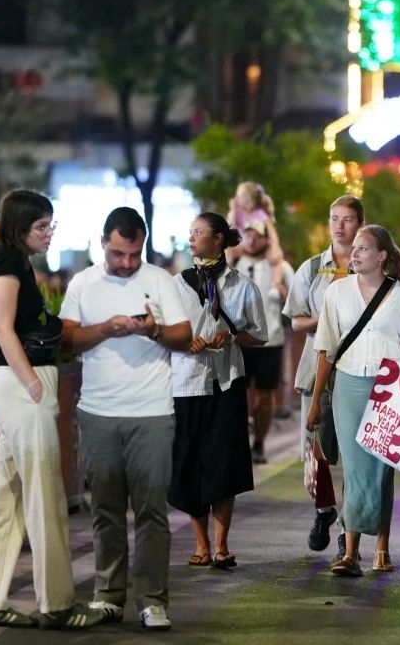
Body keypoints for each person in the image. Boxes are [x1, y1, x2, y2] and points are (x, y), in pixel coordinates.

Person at [0, 190, 104, 630]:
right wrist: (32, 385)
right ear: (19, 227)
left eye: (50, 225)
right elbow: (4, 330)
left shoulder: (12, 261)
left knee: (6, 498)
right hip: (22, 387)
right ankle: (57, 604)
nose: (49, 233)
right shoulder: (7, 263)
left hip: (19, 387)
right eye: (41, 226)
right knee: (46, 500)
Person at [59, 207, 192, 631]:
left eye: (134, 254)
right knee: (106, 507)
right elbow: (67, 340)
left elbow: (185, 337)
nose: (126, 263)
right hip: (98, 411)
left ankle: (153, 599)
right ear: (103, 243)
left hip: (152, 411)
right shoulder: (82, 283)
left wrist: (152, 330)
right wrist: (107, 329)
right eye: (118, 254)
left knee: (152, 509)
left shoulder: (160, 281)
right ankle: (107, 595)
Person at [306, 225, 400, 577]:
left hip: (391, 386)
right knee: (356, 469)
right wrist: (314, 402)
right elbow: (325, 348)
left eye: (363, 249)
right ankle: (350, 551)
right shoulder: (336, 293)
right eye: (354, 249)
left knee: (381, 470)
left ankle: (381, 546)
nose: (354, 254)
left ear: (382, 255)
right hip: (349, 383)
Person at [170, 213, 267, 570]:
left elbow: (261, 335)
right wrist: (183, 342)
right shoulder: (176, 285)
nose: (191, 237)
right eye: (190, 231)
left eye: (198, 232)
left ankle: (222, 546)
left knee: (224, 463)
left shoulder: (242, 286)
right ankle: (200, 545)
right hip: (187, 383)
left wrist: (233, 335)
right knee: (191, 462)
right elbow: (162, 332)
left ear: (219, 239)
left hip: (227, 382)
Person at [283, 194, 364, 556]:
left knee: (356, 455)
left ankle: (351, 530)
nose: (340, 225)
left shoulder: (375, 265)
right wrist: (328, 317)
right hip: (316, 368)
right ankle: (324, 510)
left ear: (360, 224)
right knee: (316, 450)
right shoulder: (313, 268)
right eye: (334, 218)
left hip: (361, 369)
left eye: (347, 219)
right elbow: (296, 319)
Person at [234, 220, 295, 464]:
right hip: (239, 341)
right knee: (237, 395)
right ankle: (237, 444)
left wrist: (283, 295)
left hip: (270, 341)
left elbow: (296, 301)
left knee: (266, 395)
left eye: (257, 235)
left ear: (266, 238)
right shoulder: (234, 263)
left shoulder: (280, 267)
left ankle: (258, 443)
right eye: (247, 234)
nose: (251, 239)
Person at [227, 181, 287, 296]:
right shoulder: (238, 214)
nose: (236, 199)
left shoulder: (260, 214)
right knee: (228, 254)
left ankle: (276, 284)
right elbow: (229, 228)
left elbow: (272, 233)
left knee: (276, 257)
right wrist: (233, 210)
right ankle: (227, 281)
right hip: (243, 246)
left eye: (238, 196)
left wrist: (275, 248)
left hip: (262, 248)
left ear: (248, 200)